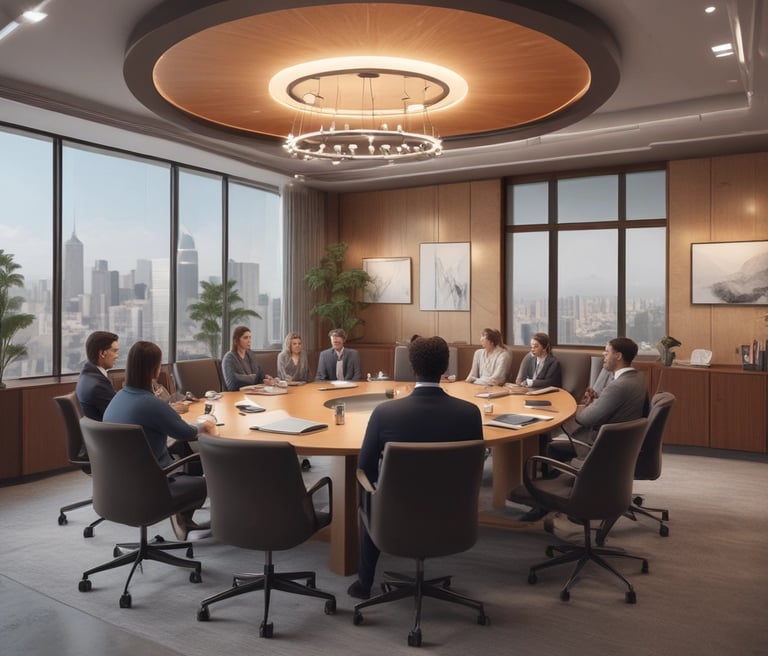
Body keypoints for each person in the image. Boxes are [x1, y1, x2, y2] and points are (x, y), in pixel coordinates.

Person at [346, 336, 484, 600]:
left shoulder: (385, 413)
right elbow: (476, 466)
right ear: (445, 367)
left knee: (367, 496)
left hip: (395, 518)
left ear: (411, 366)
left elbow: (364, 468)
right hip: (454, 515)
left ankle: (364, 584)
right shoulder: (469, 413)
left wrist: (381, 494)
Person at [103, 340, 217, 540]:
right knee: (211, 476)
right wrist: (206, 424)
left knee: (184, 450)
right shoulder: (150, 404)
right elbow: (188, 432)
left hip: (118, 484)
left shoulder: (118, 398)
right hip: (153, 485)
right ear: (154, 369)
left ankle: (184, 520)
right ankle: (190, 520)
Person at [75, 331, 119, 421]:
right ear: (102, 353)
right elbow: (119, 415)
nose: (117, 356)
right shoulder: (99, 385)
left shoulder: (86, 375)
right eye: (114, 351)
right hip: (106, 433)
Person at [221, 326, 274, 391]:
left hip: (252, 393)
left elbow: (260, 374)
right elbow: (232, 383)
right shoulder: (229, 358)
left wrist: (266, 378)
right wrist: (253, 377)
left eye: (250, 337)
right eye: (245, 338)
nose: (249, 341)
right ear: (236, 340)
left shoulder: (250, 354)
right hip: (236, 395)